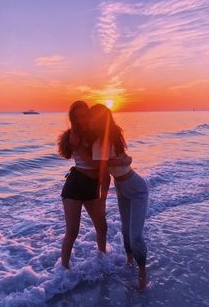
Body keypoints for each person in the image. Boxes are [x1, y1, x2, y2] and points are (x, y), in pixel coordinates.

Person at [57, 101, 131, 269]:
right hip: (75, 185)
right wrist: (120, 161)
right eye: (77, 117)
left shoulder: (93, 133)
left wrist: (120, 156)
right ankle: (64, 270)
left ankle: (102, 259)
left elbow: (104, 154)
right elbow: (94, 162)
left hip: (91, 186)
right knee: (72, 231)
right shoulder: (73, 136)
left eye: (85, 115)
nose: (81, 120)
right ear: (73, 119)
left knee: (102, 226)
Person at [88, 104, 149, 290]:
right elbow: (102, 164)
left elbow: (108, 162)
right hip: (121, 187)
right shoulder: (97, 140)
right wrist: (121, 160)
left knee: (135, 235)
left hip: (137, 188)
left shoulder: (112, 135)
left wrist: (122, 159)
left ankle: (142, 272)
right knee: (124, 231)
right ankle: (129, 262)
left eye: (99, 116)